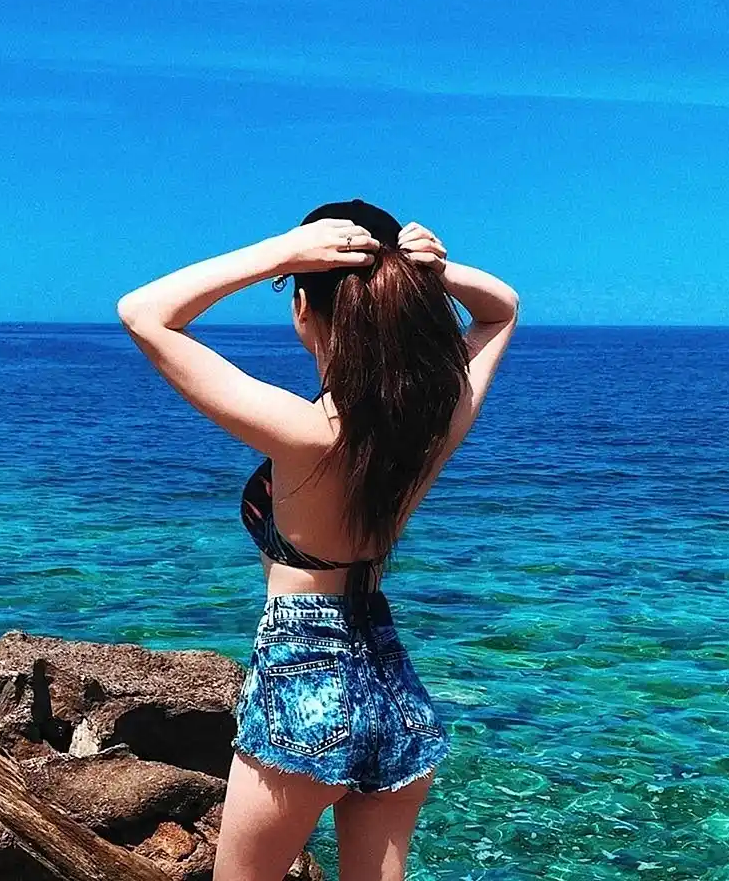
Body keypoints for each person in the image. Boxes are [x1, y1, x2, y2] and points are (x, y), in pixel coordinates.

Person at [117, 198, 519, 881]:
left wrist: (278, 252)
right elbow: (501, 311)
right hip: (391, 680)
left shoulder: (308, 432)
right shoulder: (435, 420)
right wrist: (432, 269)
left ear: (303, 306)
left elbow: (143, 312)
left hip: (305, 669)